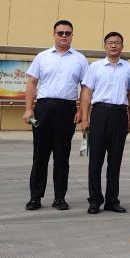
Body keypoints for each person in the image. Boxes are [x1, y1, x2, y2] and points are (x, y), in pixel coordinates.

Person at [23, 19, 89, 211]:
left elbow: (86, 88)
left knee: (62, 156)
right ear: (54, 35)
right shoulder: (42, 57)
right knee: (40, 155)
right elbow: (32, 83)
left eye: (67, 33)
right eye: (60, 33)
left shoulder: (80, 59)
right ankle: (35, 197)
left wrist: (81, 111)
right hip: (43, 108)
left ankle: (60, 198)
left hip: (67, 110)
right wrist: (29, 109)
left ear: (72, 35)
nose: (63, 36)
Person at [79, 31, 130, 214]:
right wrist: (85, 118)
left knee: (115, 160)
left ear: (122, 46)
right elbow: (87, 93)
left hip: (120, 114)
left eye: (117, 42)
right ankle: (95, 200)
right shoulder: (95, 67)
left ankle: (112, 200)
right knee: (95, 160)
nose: (113, 45)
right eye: (110, 42)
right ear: (105, 45)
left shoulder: (128, 68)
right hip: (100, 113)